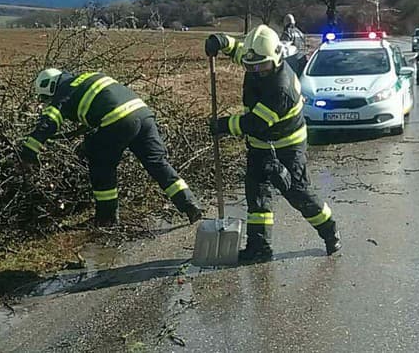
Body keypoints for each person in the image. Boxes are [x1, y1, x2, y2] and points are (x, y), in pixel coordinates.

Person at [205, 25, 341, 262]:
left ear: (277, 56)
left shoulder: (281, 88)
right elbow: (237, 49)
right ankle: (259, 247)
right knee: (256, 195)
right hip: (259, 145)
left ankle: (329, 229)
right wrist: (220, 40)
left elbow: (257, 123)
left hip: (287, 146)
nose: (256, 71)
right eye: (251, 66)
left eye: (261, 66)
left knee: (298, 194)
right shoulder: (258, 58)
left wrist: (224, 125)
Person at [18, 69, 204, 227]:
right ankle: (189, 204)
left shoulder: (62, 93)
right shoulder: (88, 76)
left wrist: (29, 150)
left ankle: (106, 219)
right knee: (157, 163)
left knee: (102, 168)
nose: (46, 102)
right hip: (143, 114)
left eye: (45, 98)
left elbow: (48, 123)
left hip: (118, 119)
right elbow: (98, 109)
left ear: (50, 86)